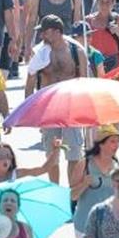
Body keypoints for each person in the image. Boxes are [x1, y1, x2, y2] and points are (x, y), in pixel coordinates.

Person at [25, 14, 90, 182]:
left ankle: (72, 192)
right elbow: (31, 78)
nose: (41, 36)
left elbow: (84, 81)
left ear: (56, 32)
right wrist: (30, 110)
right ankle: (55, 189)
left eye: (44, 32)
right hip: (49, 107)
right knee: (51, 153)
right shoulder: (39, 53)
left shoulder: (77, 51)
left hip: (71, 106)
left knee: (74, 153)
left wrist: (85, 110)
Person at [72, 125, 119, 238]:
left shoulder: (117, 166)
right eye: (112, 141)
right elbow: (71, 195)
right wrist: (84, 184)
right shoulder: (84, 164)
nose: (116, 145)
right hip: (85, 226)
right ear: (101, 144)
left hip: (110, 228)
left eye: (118, 142)